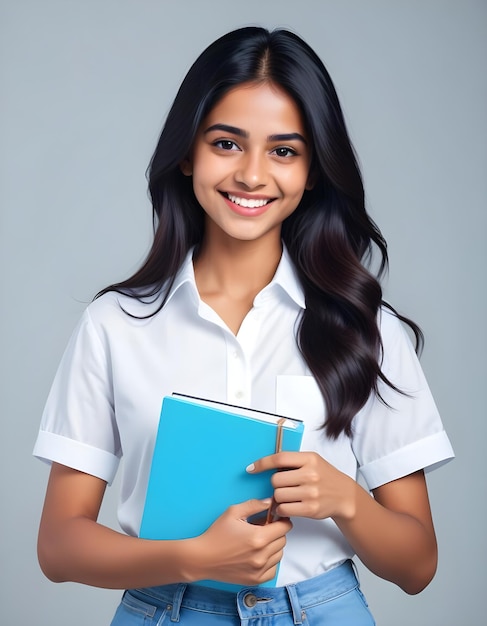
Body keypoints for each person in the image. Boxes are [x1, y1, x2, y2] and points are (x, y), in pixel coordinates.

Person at [33, 26, 454, 625]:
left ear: (312, 171)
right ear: (188, 153)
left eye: (283, 151)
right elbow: (58, 546)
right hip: (165, 610)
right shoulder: (115, 324)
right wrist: (189, 557)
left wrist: (346, 500)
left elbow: (418, 565)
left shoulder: (367, 330)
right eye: (227, 143)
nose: (252, 175)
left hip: (321, 610)